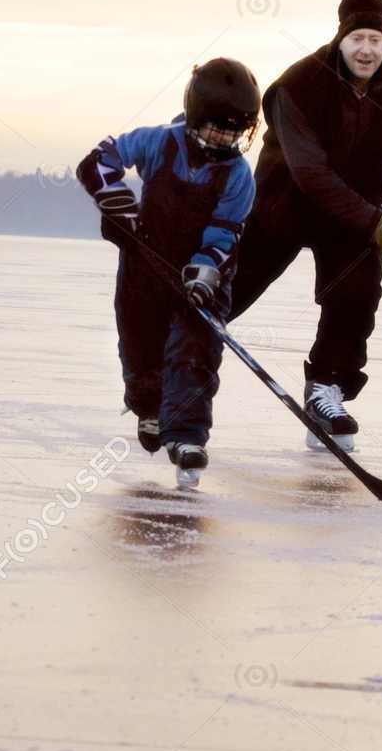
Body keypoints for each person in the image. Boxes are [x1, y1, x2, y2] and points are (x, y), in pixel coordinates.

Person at [230, 0, 382, 450]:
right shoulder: (296, 86)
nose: (366, 49)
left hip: (354, 214)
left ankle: (326, 388)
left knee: (357, 293)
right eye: (357, 39)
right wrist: (377, 224)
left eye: (376, 40)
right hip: (285, 204)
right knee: (232, 289)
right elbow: (311, 175)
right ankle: (168, 367)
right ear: (340, 38)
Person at [77, 59, 259, 488]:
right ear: (195, 115)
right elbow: (98, 162)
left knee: (194, 351)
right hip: (143, 269)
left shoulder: (238, 176)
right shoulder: (159, 143)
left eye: (235, 131)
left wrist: (204, 273)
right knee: (141, 351)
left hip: (201, 279)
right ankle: (149, 409)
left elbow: (225, 232)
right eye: (217, 128)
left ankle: (188, 437)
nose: (225, 139)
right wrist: (121, 209)